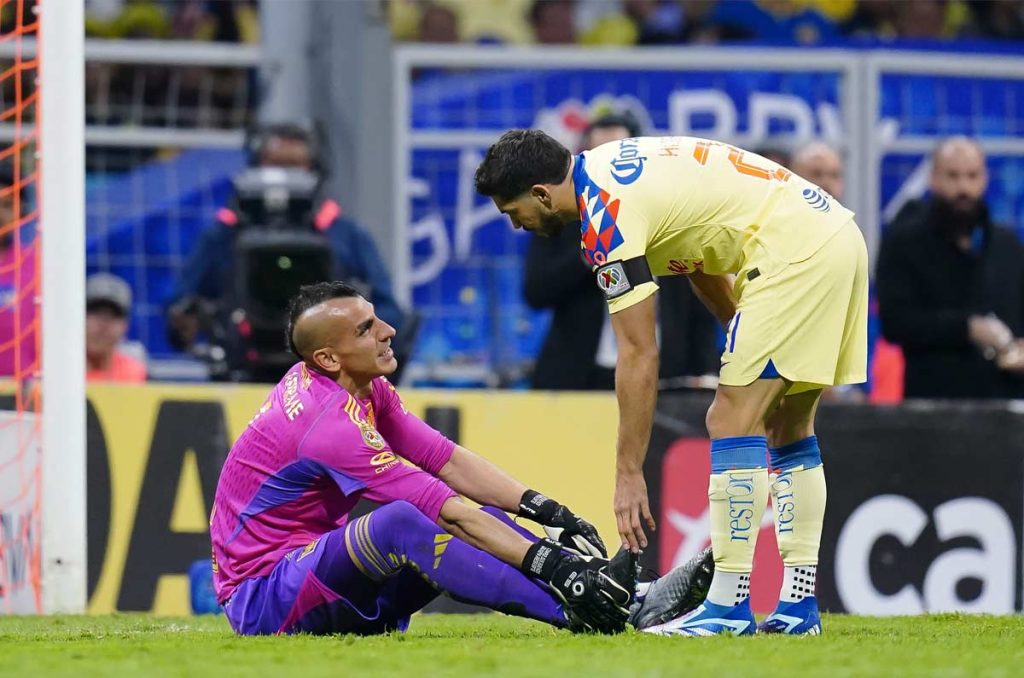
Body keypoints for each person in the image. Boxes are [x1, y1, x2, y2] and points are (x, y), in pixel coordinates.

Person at [476, 130, 869, 637]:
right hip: (833, 237)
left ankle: (727, 609)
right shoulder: (612, 168)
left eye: (514, 212)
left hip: (794, 258)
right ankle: (798, 607)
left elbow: (639, 353)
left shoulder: (604, 220)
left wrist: (628, 473)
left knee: (729, 418)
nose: (517, 225)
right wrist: (739, 332)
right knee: (787, 425)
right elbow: (700, 259)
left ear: (542, 194)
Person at [210, 281, 643, 636]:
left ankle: (628, 598)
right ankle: (586, 610)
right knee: (401, 522)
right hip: (263, 600)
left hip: (314, 580)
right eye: (365, 329)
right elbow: (445, 511)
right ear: (327, 357)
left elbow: (446, 460)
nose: (388, 330)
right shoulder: (325, 424)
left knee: (488, 517)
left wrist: (548, 510)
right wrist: (558, 566)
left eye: (376, 316)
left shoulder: (356, 386)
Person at [167, 124, 405, 380]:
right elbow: (179, 305)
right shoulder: (224, 235)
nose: (283, 175)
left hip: (328, 375)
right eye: (274, 164)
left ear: (314, 170)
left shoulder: (345, 235)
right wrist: (185, 324)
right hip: (242, 368)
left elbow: (389, 311)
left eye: (293, 165)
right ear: (256, 166)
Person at [876, 137, 1024, 399]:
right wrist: (966, 328)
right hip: (934, 403)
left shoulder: (1006, 244)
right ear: (933, 178)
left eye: (972, 176)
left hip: (1005, 403)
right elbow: (895, 323)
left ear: (985, 179)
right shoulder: (903, 242)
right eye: (953, 176)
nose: (963, 187)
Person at [523, 112, 640, 390]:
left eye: (616, 161)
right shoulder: (560, 217)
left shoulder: (667, 219)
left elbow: (689, 311)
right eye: (597, 160)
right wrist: (587, 255)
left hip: (656, 376)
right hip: (577, 374)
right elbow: (535, 291)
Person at [85, 273, 147, 383]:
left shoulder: (138, 376)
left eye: (114, 315)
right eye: (95, 312)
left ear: (125, 326)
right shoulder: (55, 372)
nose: (103, 325)